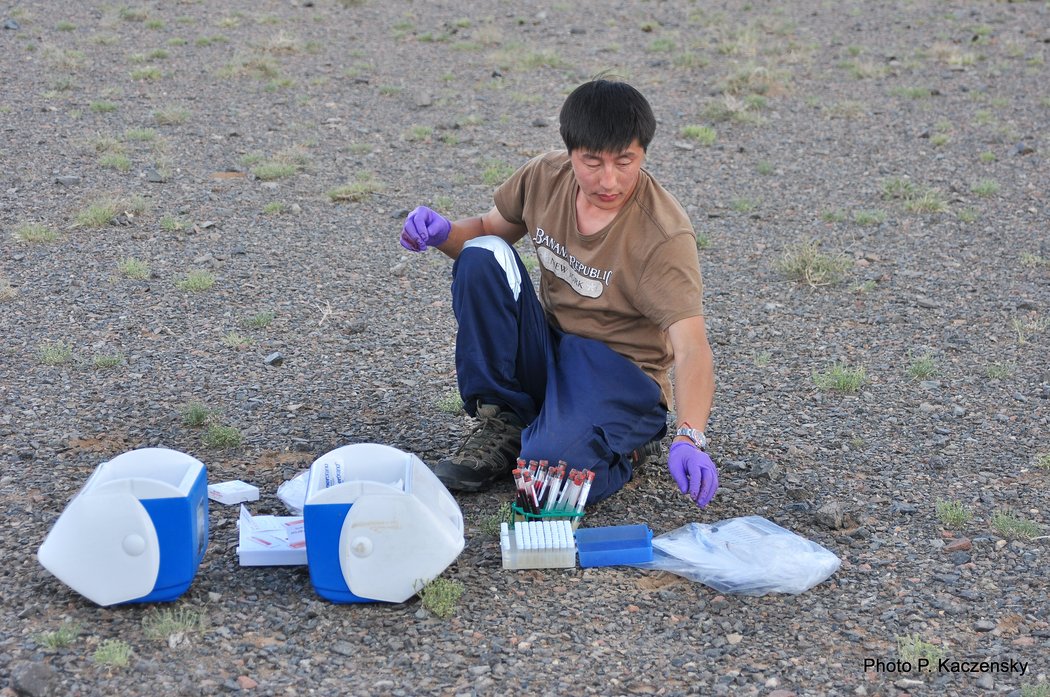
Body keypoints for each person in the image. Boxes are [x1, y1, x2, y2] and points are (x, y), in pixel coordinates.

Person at [399, 78, 718, 508]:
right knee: (479, 256)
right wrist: (441, 233)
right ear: (570, 152)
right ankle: (506, 420)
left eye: (626, 162)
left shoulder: (663, 234)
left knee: (545, 486)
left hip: (620, 374)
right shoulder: (544, 178)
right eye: (592, 162)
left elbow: (692, 347)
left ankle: (632, 444)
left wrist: (690, 436)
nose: (609, 180)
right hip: (551, 349)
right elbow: (487, 233)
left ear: (643, 152)